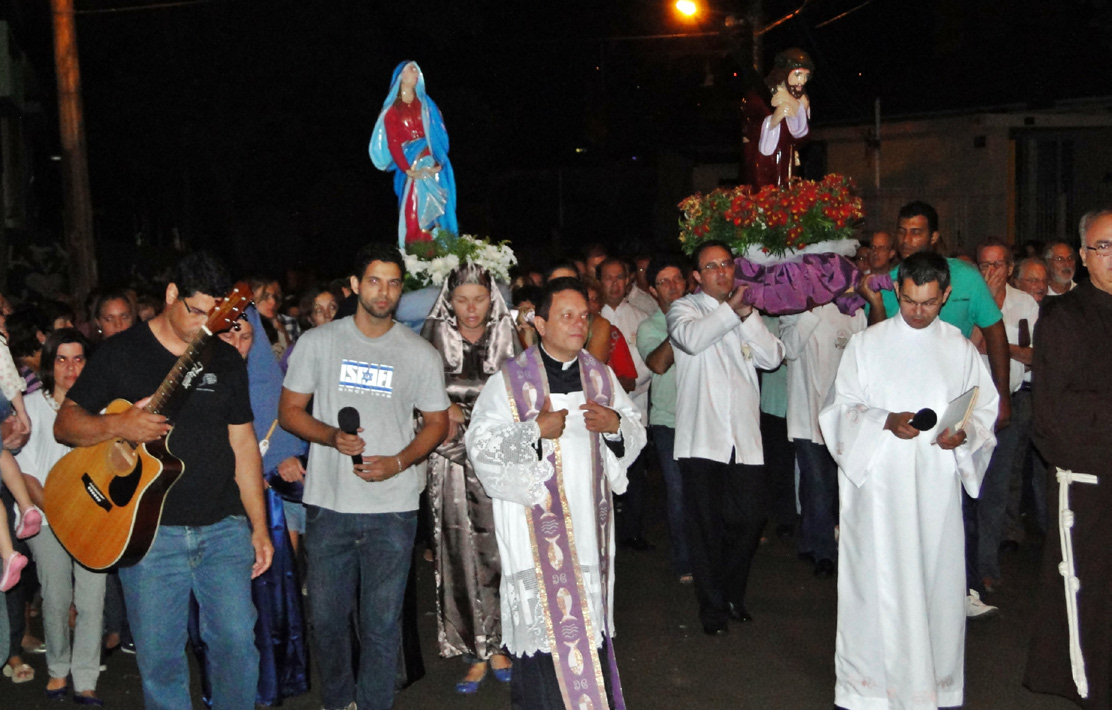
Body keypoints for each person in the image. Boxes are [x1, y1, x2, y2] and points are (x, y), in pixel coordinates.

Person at [56, 252, 273, 710]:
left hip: (223, 527)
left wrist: (258, 525)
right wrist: (119, 426)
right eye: (196, 312)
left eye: (216, 316)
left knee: (237, 645)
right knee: (160, 662)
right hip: (146, 535)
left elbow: (244, 446)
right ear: (172, 295)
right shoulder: (121, 353)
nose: (205, 326)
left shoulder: (227, 360)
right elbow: (66, 424)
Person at [819, 251, 999, 710]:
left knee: (933, 583)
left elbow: (984, 410)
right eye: (911, 301)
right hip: (877, 492)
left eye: (929, 303)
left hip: (935, 490)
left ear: (946, 295)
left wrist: (963, 435)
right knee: (876, 589)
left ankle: (933, 686)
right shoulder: (867, 345)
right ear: (897, 291)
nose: (918, 312)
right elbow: (838, 410)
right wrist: (883, 420)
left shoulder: (958, 348)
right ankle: (871, 689)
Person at [279, 243, 449, 710]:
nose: (384, 291)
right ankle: (338, 702)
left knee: (381, 625)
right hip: (329, 505)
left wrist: (398, 461)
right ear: (353, 286)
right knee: (328, 622)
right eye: (374, 280)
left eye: (394, 282)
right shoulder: (318, 342)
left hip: (392, 510)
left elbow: (437, 422)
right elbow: (290, 413)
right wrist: (332, 436)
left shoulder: (418, 353)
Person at [466, 277, 646, 710]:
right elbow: (480, 446)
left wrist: (616, 427)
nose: (579, 324)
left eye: (584, 316)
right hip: (535, 540)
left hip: (588, 536)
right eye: (566, 315)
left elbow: (636, 429)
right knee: (545, 643)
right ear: (540, 324)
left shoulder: (600, 377)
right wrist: (534, 432)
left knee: (588, 630)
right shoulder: (510, 382)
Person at [667, 240, 785, 635]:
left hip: (744, 438)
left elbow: (773, 357)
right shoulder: (684, 309)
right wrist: (730, 312)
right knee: (704, 526)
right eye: (711, 266)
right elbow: (692, 339)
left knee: (750, 518)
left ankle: (733, 592)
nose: (721, 271)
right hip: (702, 438)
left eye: (726, 264)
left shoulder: (747, 313)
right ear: (698, 277)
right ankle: (713, 608)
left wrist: (747, 317)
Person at [1024, 208, 1112, 708]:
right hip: (1092, 483)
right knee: (1093, 607)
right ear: (1083, 257)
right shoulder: (1064, 319)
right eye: (1103, 247)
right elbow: (1053, 416)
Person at [420, 263, 519, 693]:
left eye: (479, 298)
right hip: (450, 459)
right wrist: (443, 414)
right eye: (461, 299)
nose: (471, 308)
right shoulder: (431, 338)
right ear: (448, 300)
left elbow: (525, 396)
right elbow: (416, 399)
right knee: (458, 550)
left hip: (501, 458)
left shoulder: (509, 336)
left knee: (504, 549)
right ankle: (473, 646)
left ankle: (504, 641)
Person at [212, 307, 310, 706]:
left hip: (266, 503)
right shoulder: (202, 380)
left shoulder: (268, 379)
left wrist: (285, 458)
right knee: (224, 607)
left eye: (246, 335)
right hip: (216, 503)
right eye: (228, 334)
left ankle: (272, 682)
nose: (237, 343)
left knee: (273, 601)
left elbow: (287, 425)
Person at [16, 329, 105, 705]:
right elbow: (26, 470)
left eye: (79, 358)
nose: (71, 368)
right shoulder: (32, 406)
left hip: (94, 517)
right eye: (62, 359)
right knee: (55, 596)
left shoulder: (99, 407)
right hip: (47, 515)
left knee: (92, 598)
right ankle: (58, 670)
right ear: (50, 364)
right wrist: (60, 512)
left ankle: (86, 676)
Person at [969, 240, 1039, 593]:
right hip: (971, 408)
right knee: (971, 490)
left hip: (1006, 403)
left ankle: (987, 566)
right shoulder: (967, 299)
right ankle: (965, 566)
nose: (991, 272)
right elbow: (969, 346)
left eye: (998, 265)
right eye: (985, 265)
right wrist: (990, 307)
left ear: (1010, 268)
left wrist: (1001, 347)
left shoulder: (1025, 302)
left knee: (997, 489)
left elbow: (1033, 355)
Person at [779, 300, 867, 577]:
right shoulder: (798, 310)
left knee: (823, 483)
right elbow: (788, 350)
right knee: (818, 484)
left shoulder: (855, 312)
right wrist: (808, 311)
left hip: (843, 415)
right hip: (807, 412)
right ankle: (825, 552)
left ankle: (809, 540)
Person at [636, 254, 692, 582]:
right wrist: (679, 328)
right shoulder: (649, 326)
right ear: (653, 291)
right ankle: (684, 559)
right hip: (668, 420)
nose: (672, 287)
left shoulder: (707, 318)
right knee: (678, 490)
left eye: (676, 280)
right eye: (663, 282)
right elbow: (657, 365)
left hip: (704, 418)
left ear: (687, 282)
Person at [369, 60, 458, 247]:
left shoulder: (426, 105)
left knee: (441, 206)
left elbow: (438, 134)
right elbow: (394, 143)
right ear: (400, 75)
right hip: (412, 166)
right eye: (411, 69)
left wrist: (440, 162)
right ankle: (416, 249)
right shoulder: (393, 111)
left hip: (433, 164)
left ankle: (442, 248)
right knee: (414, 208)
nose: (416, 72)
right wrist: (409, 170)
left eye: (417, 69)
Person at [597, 258, 654, 550]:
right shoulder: (592, 318)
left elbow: (649, 362)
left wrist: (633, 382)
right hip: (600, 412)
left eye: (620, 277)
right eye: (608, 278)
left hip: (634, 405)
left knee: (634, 475)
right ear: (599, 282)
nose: (615, 284)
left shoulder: (641, 317)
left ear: (628, 280)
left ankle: (633, 532)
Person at [741, 48, 813, 188]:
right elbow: (747, 130)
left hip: (787, 159)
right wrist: (773, 120)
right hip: (763, 161)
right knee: (764, 196)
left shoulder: (802, 100)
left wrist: (796, 107)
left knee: (786, 193)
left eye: (806, 76)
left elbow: (803, 137)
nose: (802, 81)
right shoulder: (758, 97)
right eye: (798, 75)